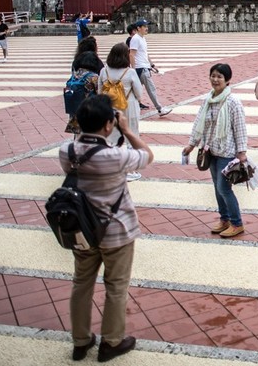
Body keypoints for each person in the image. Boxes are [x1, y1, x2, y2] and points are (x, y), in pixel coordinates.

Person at [59, 94, 153, 362]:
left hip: (83, 231)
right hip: (117, 232)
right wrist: (127, 129)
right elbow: (147, 155)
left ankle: (80, 341)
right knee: (116, 287)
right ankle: (111, 342)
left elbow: (80, 150)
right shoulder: (116, 155)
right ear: (108, 125)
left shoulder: (66, 152)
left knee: (81, 284)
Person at [182, 63, 248, 238]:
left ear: (227, 80)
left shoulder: (233, 102)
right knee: (217, 188)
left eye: (219, 76)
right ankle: (224, 219)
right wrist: (192, 144)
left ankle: (237, 223)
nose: (215, 79)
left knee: (224, 188)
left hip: (227, 152)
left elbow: (240, 128)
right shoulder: (208, 100)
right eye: (213, 75)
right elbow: (199, 123)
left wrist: (242, 152)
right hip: (211, 151)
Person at [98, 43, 144, 182]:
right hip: (129, 106)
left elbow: (99, 91)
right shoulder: (129, 72)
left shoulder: (104, 71)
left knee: (111, 138)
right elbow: (139, 93)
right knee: (131, 136)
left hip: (109, 108)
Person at [129, 19, 172, 116]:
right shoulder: (135, 39)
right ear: (138, 28)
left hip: (144, 67)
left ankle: (132, 108)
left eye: (146, 26)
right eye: (144, 26)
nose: (146, 28)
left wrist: (152, 65)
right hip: (141, 69)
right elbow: (131, 55)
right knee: (151, 89)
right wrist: (134, 70)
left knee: (135, 90)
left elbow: (145, 54)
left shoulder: (142, 38)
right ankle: (160, 109)